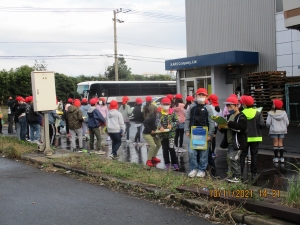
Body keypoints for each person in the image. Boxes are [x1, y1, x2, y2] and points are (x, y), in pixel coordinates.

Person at [184, 88, 215, 178]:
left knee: (203, 154)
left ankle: (202, 170)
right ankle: (194, 169)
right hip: (193, 134)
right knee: (191, 152)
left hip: (205, 135)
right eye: (199, 95)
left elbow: (211, 122)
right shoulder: (192, 107)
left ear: (206, 97)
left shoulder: (208, 108)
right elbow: (187, 119)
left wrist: (210, 134)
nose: (201, 97)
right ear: (196, 96)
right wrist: (186, 130)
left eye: (203, 95)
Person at [219, 96, 247, 183]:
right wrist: (221, 128)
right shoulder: (229, 116)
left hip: (238, 143)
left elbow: (242, 128)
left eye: (230, 106)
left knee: (233, 158)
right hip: (230, 142)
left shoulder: (241, 116)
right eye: (227, 106)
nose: (228, 108)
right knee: (230, 159)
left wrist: (230, 124)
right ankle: (232, 176)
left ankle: (237, 177)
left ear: (236, 106)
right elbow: (226, 129)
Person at [240, 96, 264, 178]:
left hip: (244, 137)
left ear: (245, 104)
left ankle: (240, 172)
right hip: (256, 137)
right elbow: (262, 124)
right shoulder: (257, 113)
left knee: (243, 154)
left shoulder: (242, 113)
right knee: (254, 155)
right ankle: (254, 172)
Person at [155, 97, 179, 171]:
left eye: (167, 104)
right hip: (162, 135)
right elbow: (156, 122)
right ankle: (167, 164)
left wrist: (171, 124)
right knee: (165, 149)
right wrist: (160, 127)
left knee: (171, 149)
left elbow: (177, 121)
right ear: (161, 104)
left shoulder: (173, 113)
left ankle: (175, 164)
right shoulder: (159, 114)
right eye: (164, 104)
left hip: (171, 135)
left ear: (170, 104)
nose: (166, 106)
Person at [207, 94, 222, 158]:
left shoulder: (208, 107)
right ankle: (213, 152)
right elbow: (220, 118)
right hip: (215, 126)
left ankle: (208, 153)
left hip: (209, 125)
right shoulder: (219, 109)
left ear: (210, 100)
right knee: (213, 139)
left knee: (208, 139)